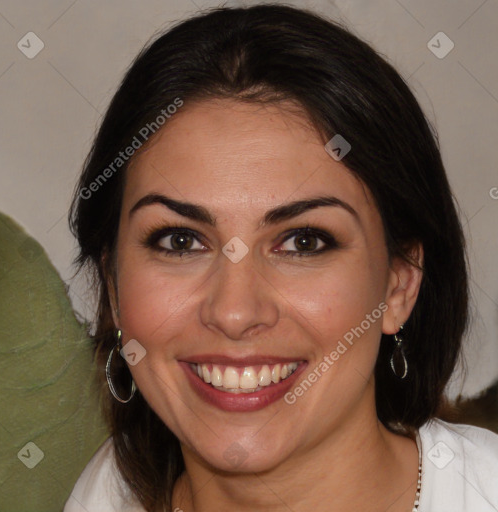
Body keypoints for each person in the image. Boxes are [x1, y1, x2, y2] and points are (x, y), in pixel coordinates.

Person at [64, 4, 498, 511]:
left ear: (399, 284)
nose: (234, 312)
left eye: (303, 242)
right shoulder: (105, 496)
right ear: (112, 285)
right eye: (180, 241)